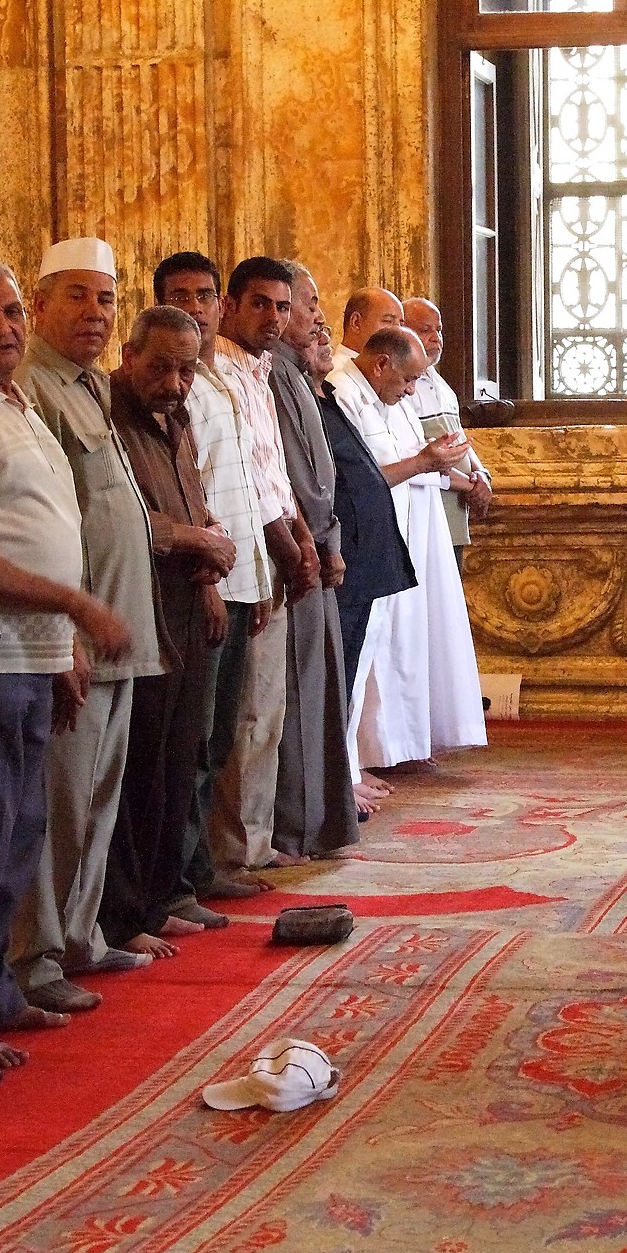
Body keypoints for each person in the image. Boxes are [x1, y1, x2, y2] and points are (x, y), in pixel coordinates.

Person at [0, 260, 136, 1072]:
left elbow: (48, 522)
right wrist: (76, 606)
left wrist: (63, 642)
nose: (12, 326)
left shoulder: (17, 403)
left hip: (38, 652)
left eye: (18, 310)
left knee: (22, 830)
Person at [11, 238, 167, 1015]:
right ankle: (37, 955)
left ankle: (80, 935)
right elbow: (46, 520)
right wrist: (65, 632)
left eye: (106, 299)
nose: (95, 313)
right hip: (71, 634)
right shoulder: (32, 387)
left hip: (115, 626)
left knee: (99, 797)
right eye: (76, 296)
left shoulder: (88, 389)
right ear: (40, 305)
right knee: (63, 802)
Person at [98, 306, 236, 959]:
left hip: (185, 598)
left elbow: (191, 499)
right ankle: (127, 913)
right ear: (129, 356)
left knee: (181, 759)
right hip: (139, 601)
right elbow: (128, 517)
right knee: (143, 767)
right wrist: (194, 541)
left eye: (187, 369)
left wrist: (207, 578)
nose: (176, 382)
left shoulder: (175, 417)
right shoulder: (108, 413)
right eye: (162, 366)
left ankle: (160, 896)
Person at [149, 251, 267, 911]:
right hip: (202, 580)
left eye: (203, 294)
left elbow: (244, 483)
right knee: (192, 740)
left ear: (219, 305)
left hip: (241, 571)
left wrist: (260, 572)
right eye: (179, 294)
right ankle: (187, 877)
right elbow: (184, 491)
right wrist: (210, 582)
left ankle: (200, 867)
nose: (194, 305)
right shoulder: (169, 384)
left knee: (221, 736)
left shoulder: (220, 379)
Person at [204, 257, 322, 879]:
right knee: (245, 712)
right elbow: (244, 481)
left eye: (282, 306)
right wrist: (289, 543)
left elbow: (274, 471)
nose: (273, 318)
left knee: (265, 707)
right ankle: (233, 847)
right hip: (244, 556)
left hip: (272, 548)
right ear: (230, 307)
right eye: (261, 305)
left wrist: (301, 535)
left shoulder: (260, 370)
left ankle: (251, 838)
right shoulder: (217, 371)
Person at [327, 328, 478, 770]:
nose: (412, 390)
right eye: (408, 380)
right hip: (356, 546)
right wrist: (426, 462)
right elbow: (361, 479)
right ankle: (347, 771)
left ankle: (365, 763)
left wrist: (438, 463)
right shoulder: (342, 393)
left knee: (380, 658)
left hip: (394, 541)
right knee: (354, 667)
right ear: (381, 365)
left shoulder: (385, 396)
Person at [266, 266, 358, 858]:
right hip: (294, 554)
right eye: (308, 304)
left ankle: (321, 822)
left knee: (321, 690)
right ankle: (296, 829)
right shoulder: (271, 371)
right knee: (295, 699)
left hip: (319, 544)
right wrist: (315, 540)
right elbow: (287, 477)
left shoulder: (298, 372)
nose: (316, 316)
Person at [315, 324, 418, 816]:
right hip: (340, 557)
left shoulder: (325, 395)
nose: (324, 343)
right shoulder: (325, 393)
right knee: (338, 677)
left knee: (351, 674)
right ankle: (337, 782)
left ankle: (344, 775)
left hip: (364, 556)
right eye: (314, 334)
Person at [399, 298, 494, 550]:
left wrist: (482, 473)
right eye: (425, 330)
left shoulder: (439, 382)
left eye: (438, 330)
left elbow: (458, 437)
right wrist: (471, 485)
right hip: (427, 512)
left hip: (454, 511)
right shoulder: (401, 385)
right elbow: (419, 453)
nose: (435, 338)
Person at [336, 287, 402, 368]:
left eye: (401, 324)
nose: (399, 331)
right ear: (356, 322)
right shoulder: (336, 375)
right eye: (388, 321)